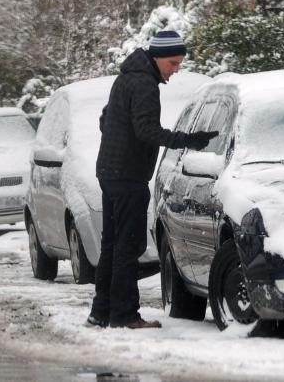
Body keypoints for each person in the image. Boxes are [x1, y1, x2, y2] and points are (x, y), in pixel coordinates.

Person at [89, 30, 219, 329]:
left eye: (179, 63)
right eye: (173, 63)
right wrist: (189, 140)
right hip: (128, 176)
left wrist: (118, 138)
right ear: (157, 57)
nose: (176, 70)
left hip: (109, 173)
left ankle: (101, 311)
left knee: (111, 245)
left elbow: (105, 120)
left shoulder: (125, 78)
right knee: (128, 247)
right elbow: (146, 130)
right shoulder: (145, 85)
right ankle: (124, 314)